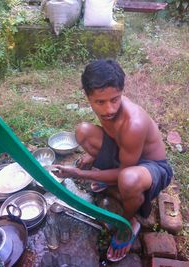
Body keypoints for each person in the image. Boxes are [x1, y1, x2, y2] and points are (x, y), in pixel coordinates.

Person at [54, 59, 173, 262]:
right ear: (87, 96)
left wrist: (78, 173)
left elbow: (124, 171)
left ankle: (128, 223)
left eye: (115, 99)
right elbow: (111, 136)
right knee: (82, 132)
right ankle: (110, 183)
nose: (109, 109)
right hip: (125, 153)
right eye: (100, 102)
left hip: (152, 167)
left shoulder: (133, 123)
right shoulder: (109, 108)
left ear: (121, 92)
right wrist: (93, 155)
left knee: (127, 179)